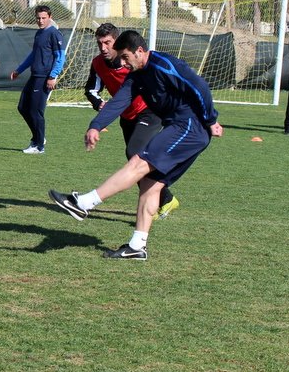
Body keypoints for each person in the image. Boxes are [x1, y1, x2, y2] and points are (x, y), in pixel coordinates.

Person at [50, 31, 223, 260]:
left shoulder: (165, 65)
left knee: (138, 162)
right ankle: (137, 246)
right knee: (150, 185)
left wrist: (210, 120)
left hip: (190, 127)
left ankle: (84, 202)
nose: (122, 62)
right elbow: (118, 102)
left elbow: (199, 86)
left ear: (139, 52)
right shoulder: (136, 76)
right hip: (180, 127)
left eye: (125, 57)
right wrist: (95, 126)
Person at [84, 23, 179, 221]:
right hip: (126, 116)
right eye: (99, 43)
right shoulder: (98, 64)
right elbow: (91, 90)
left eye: (107, 43)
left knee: (135, 154)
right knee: (135, 161)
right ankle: (165, 199)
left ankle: (150, 206)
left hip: (148, 112)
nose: (103, 48)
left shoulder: (133, 63)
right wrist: (99, 104)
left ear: (116, 43)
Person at [10, 5, 65, 154]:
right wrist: (19, 70)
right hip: (35, 75)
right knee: (22, 107)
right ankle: (39, 137)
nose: (40, 21)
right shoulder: (39, 34)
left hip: (45, 77)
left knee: (36, 111)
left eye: (43, 18)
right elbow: (33, 55)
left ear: (50, 17)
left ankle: (38, 145)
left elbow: (60, 57)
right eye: (38, 18)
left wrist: (53, 76)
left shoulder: (54, 34)